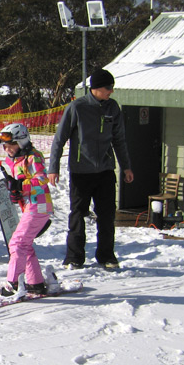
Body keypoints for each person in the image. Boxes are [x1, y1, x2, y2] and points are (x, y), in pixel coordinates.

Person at [48, 68, 134, 270]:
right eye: (108, 88)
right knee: (77, 214)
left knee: (106, 215)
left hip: (105, 171)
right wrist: (54, 168)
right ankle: (74, 257)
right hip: (81, 172)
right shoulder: (77, 107)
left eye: (112, 88)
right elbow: (59, 140)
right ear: (95, 88)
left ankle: (106, 256)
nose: (111, 92)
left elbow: (119, 140)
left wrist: (126, 167)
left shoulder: (113, 108)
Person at [0, 123, 59, 298]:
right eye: (4, 146)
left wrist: (20, 186)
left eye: (10, 145)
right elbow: (22, 183)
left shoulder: (33, 157)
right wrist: (15, 191)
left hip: (39, 206)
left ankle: (13, 284)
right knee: (25, 244)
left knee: (17, 243)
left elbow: (41, 180)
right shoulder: (17, 159)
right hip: (30, 206)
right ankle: (35, 282)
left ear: (22, 141)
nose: (7, 149)